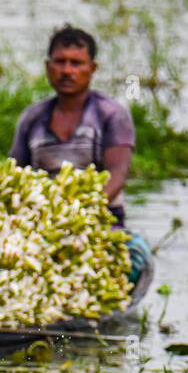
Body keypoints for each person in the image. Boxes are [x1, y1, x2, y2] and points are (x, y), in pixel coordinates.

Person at [9, 25, 135, 226]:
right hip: (43, 219)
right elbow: (14, 176)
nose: (67, 71)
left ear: (92, 69)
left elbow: (117, 175)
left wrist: (80, 214)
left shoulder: (111, 115)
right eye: (60, 62)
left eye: (76, 63)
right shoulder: (32, 118)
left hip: (100, 218)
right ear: (47, 67)